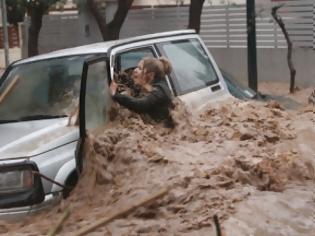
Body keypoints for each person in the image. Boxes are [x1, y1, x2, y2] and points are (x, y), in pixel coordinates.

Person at [110, 57, 174, 127]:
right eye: (136, 67)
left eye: (140, 68)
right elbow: (132, 86)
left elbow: (140, 105)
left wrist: (115, 95)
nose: (135, 70)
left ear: (151, 75)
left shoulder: (160, 91)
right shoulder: (147, 86)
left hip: (162, 132)